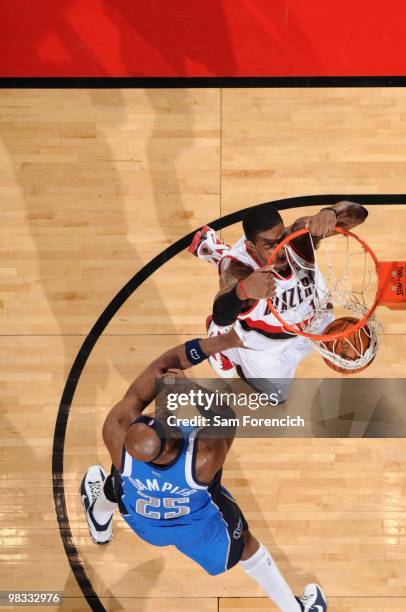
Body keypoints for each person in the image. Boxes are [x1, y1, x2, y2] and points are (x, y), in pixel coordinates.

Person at [81, 332, 327, 611]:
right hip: (198, 528)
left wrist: (223, 342)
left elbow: (160, 366)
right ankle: (296, 610)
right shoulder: (203, 458)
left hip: (146, 524)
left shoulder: (116, 434)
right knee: (245, 545)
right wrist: (190, 391)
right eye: (160, 420)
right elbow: (225, 417)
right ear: (171, 441)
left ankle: (98, 522)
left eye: (153, 417)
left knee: (119, 482)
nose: (158, 413)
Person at [189, 200, 368, 397]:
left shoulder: (298, 236)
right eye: (270, 245)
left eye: (281, 237)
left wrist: (332, 212)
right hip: (270, 347)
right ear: (251, 245)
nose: (281, 249)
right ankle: (221, 345)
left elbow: (359, 213)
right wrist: (243, 291)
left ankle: (217, 251)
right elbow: (221, 315)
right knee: (275, 397)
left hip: (315, 321)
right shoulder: (239, 272)